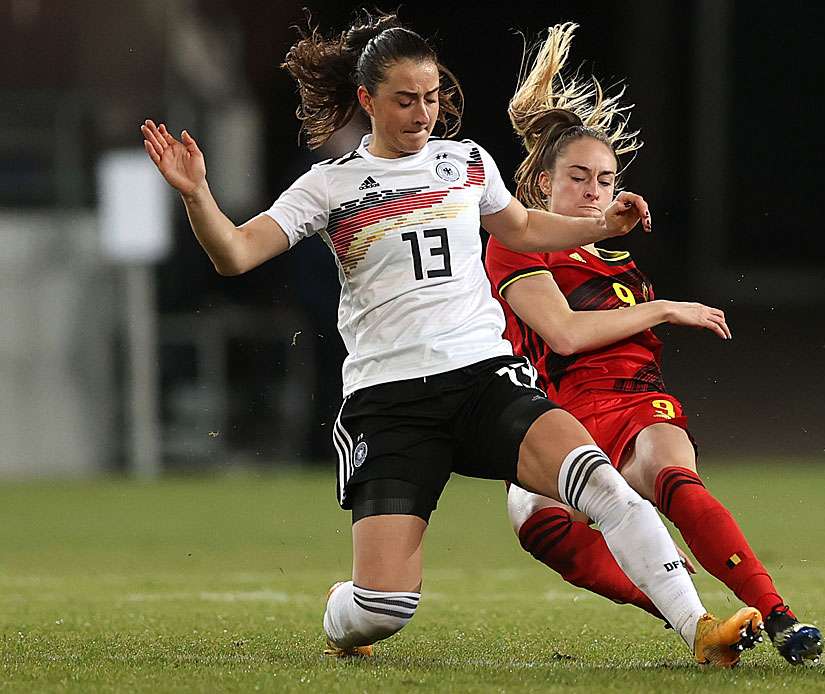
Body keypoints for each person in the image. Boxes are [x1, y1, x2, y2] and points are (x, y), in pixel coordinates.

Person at [139, 11, 763, 667]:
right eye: (405, 100)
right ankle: (342, 608)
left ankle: (701, 628)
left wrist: (601, 223)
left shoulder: (466, 162)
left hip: (483, 377)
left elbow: (522, 229)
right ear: (367, 100)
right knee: (384, 609)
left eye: (431, 98)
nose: (421, 114)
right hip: (390, 402)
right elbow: (235, 254)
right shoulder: (330, 185)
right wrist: (197, 195)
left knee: (600, 483)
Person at [484, 23, 823, 665]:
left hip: (636, 402)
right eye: (578, 178)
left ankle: (781, 619)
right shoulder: (513, 247)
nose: (594, 192)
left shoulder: (614, 257)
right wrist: (662, 308)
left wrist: (631, 276)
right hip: (556, 416)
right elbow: (563, 333)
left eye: (606, 180)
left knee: (674, 476)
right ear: (540, 187)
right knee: (536, 525)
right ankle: (694, 614)